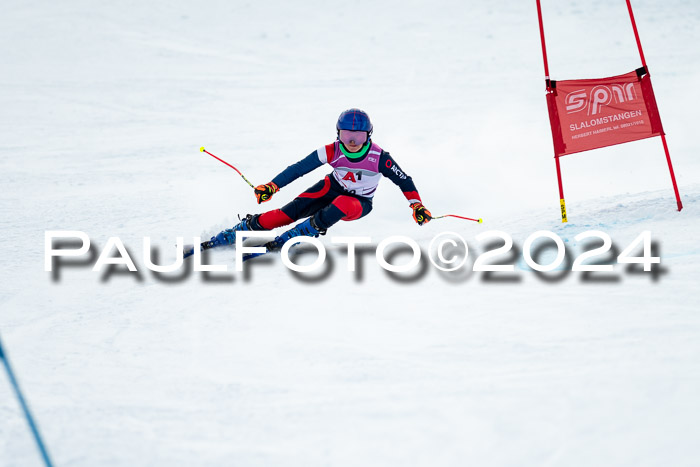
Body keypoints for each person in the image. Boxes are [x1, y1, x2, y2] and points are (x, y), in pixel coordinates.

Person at [201, 108, 432, 253]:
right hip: (330, 188)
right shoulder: (331, 150)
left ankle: (302, 232)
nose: (352, 141)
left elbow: (405, 180)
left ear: (368, 136)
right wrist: (272, 186)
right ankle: (241, 229)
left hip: (359, 203)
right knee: (284, 215)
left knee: (342, 203)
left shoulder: (379, 157)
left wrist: (417, 205)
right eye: (346, 135)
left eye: (359, 136)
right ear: (338, 134)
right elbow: (300, 168)